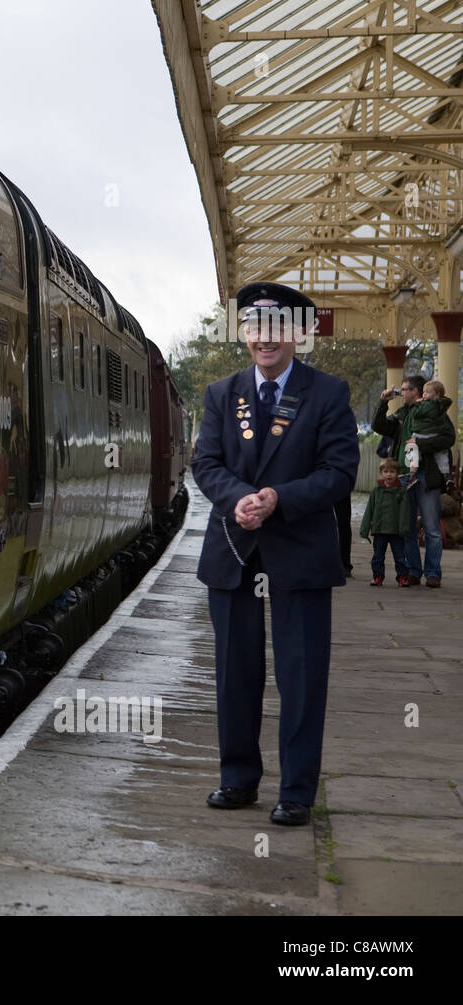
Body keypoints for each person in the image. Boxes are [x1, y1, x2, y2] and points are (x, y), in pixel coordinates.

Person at [192, 281, 359, 827]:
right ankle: (238, 779)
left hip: (300, 553)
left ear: (300, 335)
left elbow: (338, 474)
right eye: (256, 328)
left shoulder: (328, 394)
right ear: (244, 334)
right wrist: (241, 498)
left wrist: (277, 499)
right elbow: (206, 464)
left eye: (279, 329)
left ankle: (295, 792)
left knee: (301, 675)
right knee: (235, 673)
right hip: (235, 552)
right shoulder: (221, 394)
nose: (267, 339)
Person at [371, 375, 455, 588]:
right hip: (404, 475)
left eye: (405, 389)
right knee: (406, 527)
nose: (402, 392)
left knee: (431, 528)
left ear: (416, 392)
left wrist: (419, 444)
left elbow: (448, 438)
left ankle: (433, 573)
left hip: (427, 475)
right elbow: (379, 426)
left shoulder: (435, 413)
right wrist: (383, 403)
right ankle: (413, 571)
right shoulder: (402, 414)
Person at [359, 458, 410, 586]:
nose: (389, 474)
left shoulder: (401, 491)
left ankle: (402, 577)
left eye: (392, 471)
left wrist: (403, 528)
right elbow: (369, 510)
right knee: (378, 556)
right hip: (379, 528)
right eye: (386, 471)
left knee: (400, 556)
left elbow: (404, 511)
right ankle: (378, 576)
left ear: (397, 474)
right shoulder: (376, 491)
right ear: (381, 473)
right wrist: (365, 528)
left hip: (396, 530)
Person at [418, 380, 455, 492]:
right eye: (423, 392)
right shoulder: (421, 407)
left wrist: (422, 443)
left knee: (442, 457)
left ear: (437, 395)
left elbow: (449, 437)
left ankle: (446, 476)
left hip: (431, 439)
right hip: (423, 439)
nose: (424, 394)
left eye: (427, 392)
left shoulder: (440, 413)